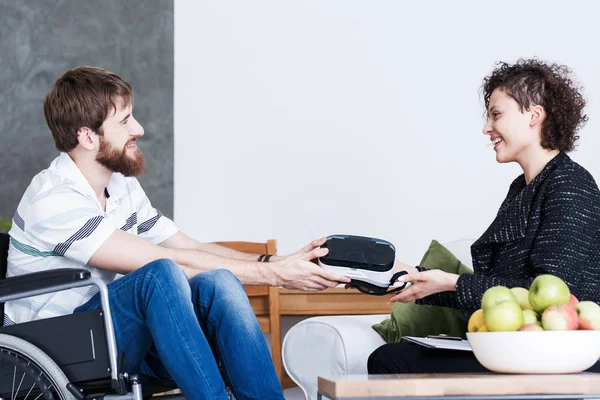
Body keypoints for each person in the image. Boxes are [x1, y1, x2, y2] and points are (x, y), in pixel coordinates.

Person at [6, 66, 351, 400]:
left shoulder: (121, 186)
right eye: (125, 121)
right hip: (59, 344)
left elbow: (189, 247)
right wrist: (273, 275)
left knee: (221, 282)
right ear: (87, 136)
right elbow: (162, 263)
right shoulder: (53, 198)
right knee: (159, 276)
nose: (138, 129)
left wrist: (277, 262)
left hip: (114, 336)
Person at [368, 58, 600, 374]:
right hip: (516, 344)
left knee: (391, 361)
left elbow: (553, 294)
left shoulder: (570, 184)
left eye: (496, 114)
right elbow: (499, 293)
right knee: (393, 356)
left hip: (556, 353)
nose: (487, 127)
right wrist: (419, 276)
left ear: (534, 116)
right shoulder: (523, 188)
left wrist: (452, 282)